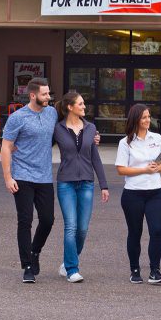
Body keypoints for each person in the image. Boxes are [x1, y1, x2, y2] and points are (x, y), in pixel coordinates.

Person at [1, 78, 57, 284]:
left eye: (49, 93)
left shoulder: (52, 113)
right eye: (44, 94)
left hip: (44, 177)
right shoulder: (18, 117)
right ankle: (27, 266)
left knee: (48, 219)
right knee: (25, 221)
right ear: (33, 95)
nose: (48, 98)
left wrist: (92, 135)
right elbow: (6, 147)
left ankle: (35, 252)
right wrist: (8, 177)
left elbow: (71, 124)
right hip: (22, 176)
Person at [53, 91, 109, 283]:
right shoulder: (57, 129)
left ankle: (68, 260)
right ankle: (72, 269)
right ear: (70, 107)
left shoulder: (91, 128)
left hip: (86, 183)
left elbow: (95, 158)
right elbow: (42, 145)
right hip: (65, 183)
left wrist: (104, 185)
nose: (85, 107)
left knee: (82, 229)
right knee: (71, 226)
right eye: (81, 104)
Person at [115, 103, 161, 285]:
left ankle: (155, 271)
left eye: (149, 116)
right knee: (135, 232)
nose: (148, 120)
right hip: (133, 194)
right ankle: (135, 269)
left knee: (157, 230)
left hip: (155, 192)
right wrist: (144, 170)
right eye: (144, 117)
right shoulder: (125, 143)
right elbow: (121, 170)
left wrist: (157, 167)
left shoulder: (157, 138)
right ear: (136, 120)